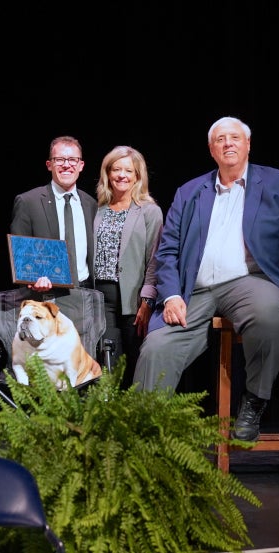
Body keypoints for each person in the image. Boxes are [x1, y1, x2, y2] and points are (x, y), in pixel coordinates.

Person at [132, 116, 279, 441]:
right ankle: (140, 439)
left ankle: (254, 401)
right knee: (156, 347)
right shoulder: (189, 192)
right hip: (194, 289)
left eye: (235, 138)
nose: (228, 143)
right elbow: (167, 252)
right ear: (212, 149)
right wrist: (170, 295)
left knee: (270, 311)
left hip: (251, 282)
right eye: (220, 139)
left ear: (248, 144)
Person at [93, 145, 164, 385]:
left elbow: (155, 259)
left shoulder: (149, 211)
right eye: (116, 169)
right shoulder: (97, 210)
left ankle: (136, 418)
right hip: (100, 299)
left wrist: (147, 300)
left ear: (137, 176)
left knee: (135, 361)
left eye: (128, 171)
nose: (122, 175)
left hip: (134, 299)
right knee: (108, 364)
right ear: (108, 173)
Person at [10, 135, 97, 293]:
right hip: (45, 296)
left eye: (72, 160)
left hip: (86, 293)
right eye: (59, 159)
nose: (66, 165)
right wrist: (31, 280)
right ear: (49, 165)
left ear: (81, 165)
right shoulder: (28, 201)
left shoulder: (91, 204)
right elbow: (21, 255)